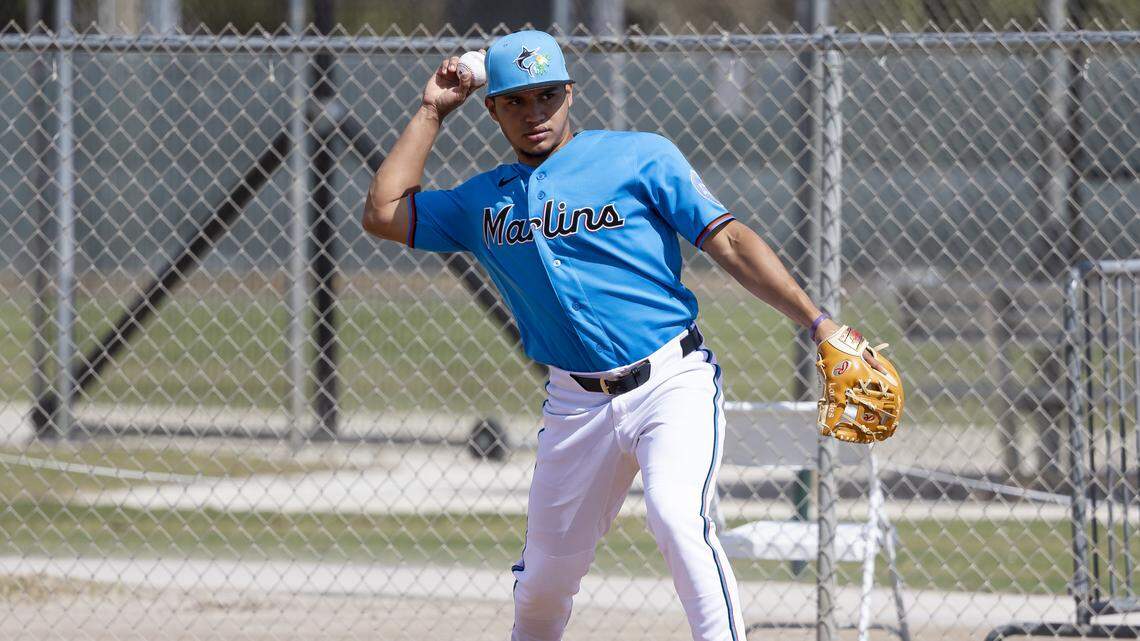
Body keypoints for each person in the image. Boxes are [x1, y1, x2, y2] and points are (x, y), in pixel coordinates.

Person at [362, 29, 881, 641]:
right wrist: (430, 111)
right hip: (574, 405)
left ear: (570, 94)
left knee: (677, 519)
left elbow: (732, 241)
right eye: (517, 101)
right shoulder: (482, 202)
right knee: (542, 586)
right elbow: (383, 213)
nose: (535, 114)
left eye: (548, 96)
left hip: (671, 380)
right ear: (493, 108)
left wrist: (819, 324)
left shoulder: (640, 157)